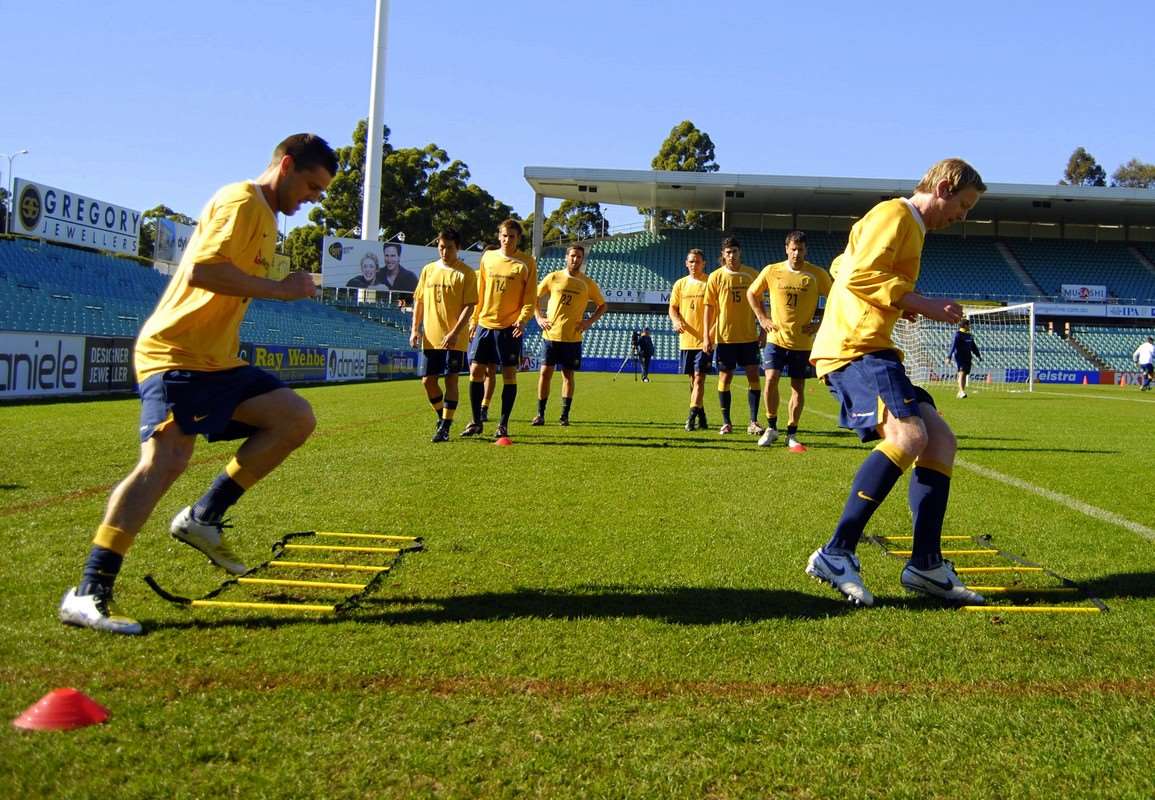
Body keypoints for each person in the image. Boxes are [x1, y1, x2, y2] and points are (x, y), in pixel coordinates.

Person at [58, 133, 338, 634]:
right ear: (287, 165)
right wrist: (280, 291)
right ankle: (89, 589)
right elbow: (204, 271)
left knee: (294, 418)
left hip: (216, 361)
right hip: (174, 353)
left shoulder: (267, 217)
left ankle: (203, 517)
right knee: (165, 460)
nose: (314, 198)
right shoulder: (242, 201)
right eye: (312, 186)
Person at [804, 157, 987, 608]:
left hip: (873, 345)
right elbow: (856, 274)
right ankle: (836, 552)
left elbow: (842, 263)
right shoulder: (896, 214)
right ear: (943, 188)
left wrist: (899, 303)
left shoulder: (908, 226)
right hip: (855, 347)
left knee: (940, 440)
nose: (962, 216)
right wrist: (921, 303)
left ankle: (925, 565)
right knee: (909, 435)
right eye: (963, 205)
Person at [747, 230, 832, 451]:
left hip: (802, 342)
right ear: (786, 249)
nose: (796, 253)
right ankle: (771, 427)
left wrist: (819, 324)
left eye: (800, 249)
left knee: (798, 387)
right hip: (776, 338)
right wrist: (762, 318)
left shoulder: (817, 274)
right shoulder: (772, 270)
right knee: (771, 379)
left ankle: (791, 433)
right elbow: (751, 293)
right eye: (793, 249)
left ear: (806, 250)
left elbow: (836, 300)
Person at [461, 219, 537, 439]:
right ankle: (476, 421)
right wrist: (474, 320)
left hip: (509, 327)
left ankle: (503, 424)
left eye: (511, 236)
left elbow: (530, 298)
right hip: (484, 324)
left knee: (509, 374)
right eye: (504, 236)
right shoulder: (488, 257)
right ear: (499, 236)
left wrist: (522, 320)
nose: (507, 240)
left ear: (518, 238)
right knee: (476, 371)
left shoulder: (527, 263)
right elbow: (480, 291)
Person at [410, 228, 478, 442]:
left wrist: (455, 332)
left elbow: (470, 306)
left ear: (458, 248)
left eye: (449, 248)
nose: (445, 252)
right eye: (441, 247)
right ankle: (442, 417)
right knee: (427, 381)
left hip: (454, 339)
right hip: (431, 337)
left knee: (451, 380)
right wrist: (414, 329)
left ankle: (445, 427)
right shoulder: (428, 270)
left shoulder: (466, 273)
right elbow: (419, 301)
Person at [531, 244, 607, 425]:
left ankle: (564, 415)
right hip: (551, 335)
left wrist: (588, 322)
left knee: (568, 376)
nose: (575, 259)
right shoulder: (554, 277)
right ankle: (540, 414)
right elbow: (534, 297)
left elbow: (602, 305)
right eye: (572, 255)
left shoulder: (587, 283)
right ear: (566, 257)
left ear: (582, 259)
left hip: (572, 338)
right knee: (545, 374)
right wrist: (539, 317)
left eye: (579, 257)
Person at [703, 237, 764, 435]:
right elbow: (708, 308)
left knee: (753, 375)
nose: (731, 255)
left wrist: (763, 330)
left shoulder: (752, 274)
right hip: (725, 337)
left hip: (749, 337)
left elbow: (761, 304)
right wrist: (706, 336)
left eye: (734, 251)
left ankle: (753, 421)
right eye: (728, 252)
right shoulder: (715, 276)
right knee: (725, 376)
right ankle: (726, 422)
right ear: (723, 254)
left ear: (740, 252)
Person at [669, 248, 711, 430]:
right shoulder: (680, 284)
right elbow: (673, 308)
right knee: (693, 381)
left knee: (700, 378)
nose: (694, 265)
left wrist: (710, 335)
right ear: (686, 263)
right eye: (691, 261)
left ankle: (691, 417)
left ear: (704, 264)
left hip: (705, 340)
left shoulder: (710, 282)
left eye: (698, 262)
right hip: (686, 340)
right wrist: (676, 321)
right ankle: (702, 416)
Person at [948, 319, 982, 398]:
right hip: (960, 357)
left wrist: (978, 355)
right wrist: (949, 356)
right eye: (969, 325)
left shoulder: (969, 335)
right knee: (961, 373)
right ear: (965, 325)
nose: (970, 326)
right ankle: (962, 391)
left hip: (968, 357)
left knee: (964, 374)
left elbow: (973, 347)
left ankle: (960, 392)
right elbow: (953, 345)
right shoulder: (958, 334)